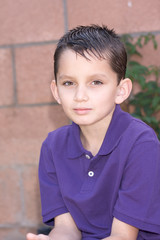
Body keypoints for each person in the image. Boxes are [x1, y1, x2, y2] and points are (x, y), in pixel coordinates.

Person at [26, 25, 160, 240]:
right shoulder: (53, 146)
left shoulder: (140, 143)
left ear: (121, 90)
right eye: (69, 83)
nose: (80, 95)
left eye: (96, 82)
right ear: (56, 91)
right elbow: (66, 228)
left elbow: (123, 236)